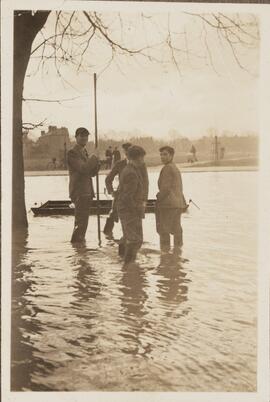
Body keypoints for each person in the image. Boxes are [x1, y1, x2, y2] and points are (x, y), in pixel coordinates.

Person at [67, 127, 100, 243]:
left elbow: (91, 173)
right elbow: (83, 169)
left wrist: (97, 163)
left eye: (86, 136)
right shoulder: (72, 153)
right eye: (81, 136)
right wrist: (94, 157)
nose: (84, 138)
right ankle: (77, 245)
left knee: (83, 223)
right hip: (79, 192)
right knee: (80, 223)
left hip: (87, 192)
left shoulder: (84, 152)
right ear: (76, 137)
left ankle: (80, 250)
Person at [117, 145, 148, 264]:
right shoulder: (131, 173)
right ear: (138, 158)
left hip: (126, 210)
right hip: (129, 211)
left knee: (128, 237)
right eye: (142, 158)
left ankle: (122, 259)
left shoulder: (130, 169)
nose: (143, 160)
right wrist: (136, 211)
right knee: (135, 240)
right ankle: (128, 265)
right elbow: (127, 197)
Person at [155, 146, 187, 253]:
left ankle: (165, 257)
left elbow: (165, 188)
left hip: (168, 205)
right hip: (177, 204)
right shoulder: (174, 167)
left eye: (165, 154)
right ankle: (177, 255)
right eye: (161, 154)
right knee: (177, 230)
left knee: (164, 231)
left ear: (171, 155)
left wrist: (158, 199)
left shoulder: (167, 168)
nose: (162, 157)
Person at [103, 142, 132, 235]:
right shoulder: (120, 164)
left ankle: (128, 240)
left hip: (133, 196)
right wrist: (112, 192)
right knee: (112, 215)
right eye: (126, 151)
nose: (127, 153)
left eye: (129, 151)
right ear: (123, 152)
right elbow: (108, 179)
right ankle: (107, 238)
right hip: (121, 195)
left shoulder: (139, 165)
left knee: (131, 221)